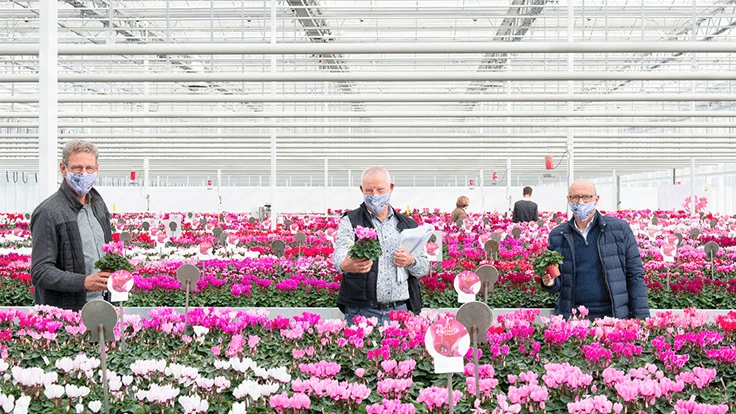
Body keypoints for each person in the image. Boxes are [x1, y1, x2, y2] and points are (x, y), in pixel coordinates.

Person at [540, 179, 650, 320]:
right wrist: (549, 282)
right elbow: (557, 281)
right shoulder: (558, 235)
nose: (581, 202)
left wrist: (642, 318)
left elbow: (635, 275)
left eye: (586, 197)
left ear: (596, 199)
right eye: (575, 197)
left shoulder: (619, 229)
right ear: (568, 200)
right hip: (574, 318)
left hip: (612, 316)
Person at [333, 166, 430, 324]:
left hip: (399, 311)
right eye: (369, 191)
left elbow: (423, 268)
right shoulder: (351, 220)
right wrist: (345, 264)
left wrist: (411, 261)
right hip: (361, 311)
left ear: (391, 188)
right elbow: (340, 253)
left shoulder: (408, 225)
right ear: (361, 190)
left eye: (380, 189)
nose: (375, 195)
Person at [30, 140, 113, 311]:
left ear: (97, 169)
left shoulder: (98, 205)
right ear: (63, 168)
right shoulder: (49, 212)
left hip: (102, 305)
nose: (84, 174)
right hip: (66, 313)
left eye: (89, 168)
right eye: (77, 168)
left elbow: (107, 253)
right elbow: (40, 271)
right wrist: (83, 282)